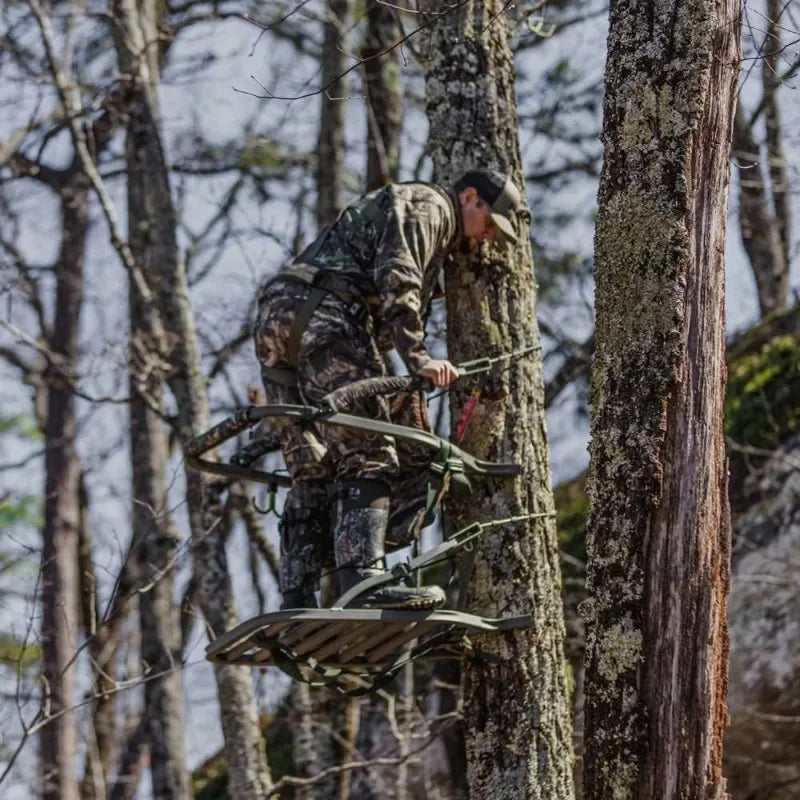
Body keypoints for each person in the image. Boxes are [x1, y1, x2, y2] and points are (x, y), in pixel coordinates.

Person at [253, 168, 523, 610]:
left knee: (313, 467)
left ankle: (296, 598)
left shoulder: (423, 218)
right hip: (326, 317)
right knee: (372, 449)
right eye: (490, 223)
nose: (487, 237)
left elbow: (374, 335)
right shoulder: (430, 207)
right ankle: (364, 584)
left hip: (277, 323)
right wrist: (420, 359)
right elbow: (399, 277)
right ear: (470, 198)